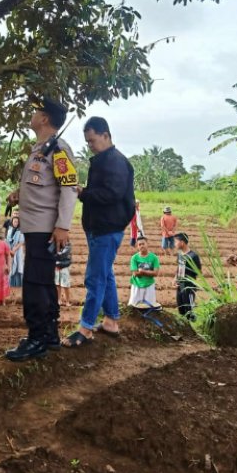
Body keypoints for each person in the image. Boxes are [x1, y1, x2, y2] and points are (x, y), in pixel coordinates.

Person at [4, 95, 77, 361]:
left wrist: (62, 227)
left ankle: (38, 338)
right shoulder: (40, 149)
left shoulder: (58, 149)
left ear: (44, 118)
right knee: (41, 282)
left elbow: (68, 188)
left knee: (35, 284)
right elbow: (42, 185)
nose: (32, 114)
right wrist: (18, 194)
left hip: (44, 229)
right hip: (34, 226)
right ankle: (49, 334)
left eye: (36, 111)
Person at [63, 117, 134, 347]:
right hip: (99, 228)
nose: (90, 145)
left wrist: (83, 193)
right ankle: (111, 321)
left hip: (107, 229)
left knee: (94, 278)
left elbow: (111, 194)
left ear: (106, 135)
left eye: (92, 140)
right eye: (87, 142)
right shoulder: (103, 160)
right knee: (106, 274)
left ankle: (86, 328)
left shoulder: (115, 162)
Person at [172, 232, 202, 320]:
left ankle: (192, 329)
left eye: (175, 242)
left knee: (189, 311)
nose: (174, 244)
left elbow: (198, 272)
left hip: (189, 286)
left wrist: (187, 276)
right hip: (180, 285)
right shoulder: (180, 254)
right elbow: (179, 267)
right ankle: (184, 329)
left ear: (182, 242)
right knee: (181, 309)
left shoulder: (193, 256)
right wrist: (175, 279)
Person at [128, 236, 160, 307]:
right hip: (136, 284)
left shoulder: (154, 257)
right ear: (137, 246)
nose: (141, 246)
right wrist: (149, 272)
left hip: (149, 285)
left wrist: (142, 271)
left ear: (147, 244)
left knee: (149, 306)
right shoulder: (134, 258)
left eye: (143, 244)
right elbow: (135, 274)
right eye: (139, 244)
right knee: (133, 306)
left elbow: (156, 273)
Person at [7, 216, 25, 287]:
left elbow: (21, 242)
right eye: (14, 221)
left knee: (18, 267)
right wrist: (10, 250)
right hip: (10, 251)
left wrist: (14, 249)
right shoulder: (9, 231)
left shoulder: (21, 231)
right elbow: (7, 240)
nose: (15, 223)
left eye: (17, 222)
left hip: (18, 251)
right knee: (11, 266)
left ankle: (18, 284)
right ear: (12, 222)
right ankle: (11, 284)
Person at [54, 242, 72, 307]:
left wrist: (56, 261)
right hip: (56, 267)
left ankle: (67, 301)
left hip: (64, 267)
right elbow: (50, 252)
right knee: (57, 284)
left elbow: (63, 255)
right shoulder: (54, 243)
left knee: (66, 285)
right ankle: (59, 300)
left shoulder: (68, 245)